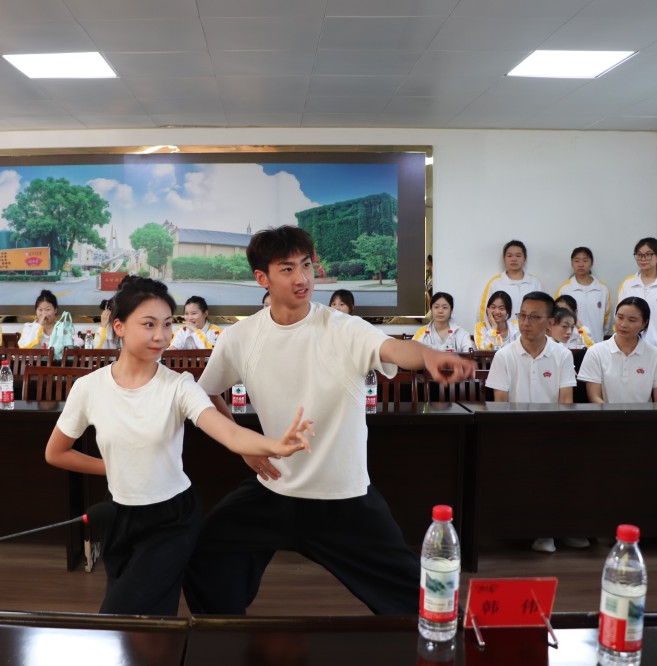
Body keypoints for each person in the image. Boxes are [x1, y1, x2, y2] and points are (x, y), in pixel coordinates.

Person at [184, 226, 475, 616]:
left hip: (343, 497)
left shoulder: (342, 328)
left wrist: (427, 356)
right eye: (287, 269)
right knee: (207, 553)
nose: (302, 278)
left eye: (306, 265)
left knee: (415, 599)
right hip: (275, 488)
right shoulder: (241, 337)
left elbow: (393, 348)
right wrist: (244, 446)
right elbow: (206, 392)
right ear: (262, 278)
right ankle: (224, 636)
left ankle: (444, 640)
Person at [44, 276, 313, 616]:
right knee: (150, 620)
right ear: (119, 326)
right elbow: (55, 453)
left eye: (167, 324)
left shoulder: (179, 386)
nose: (161, 335)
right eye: (149, 324)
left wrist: (274, 444)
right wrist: (114, 465)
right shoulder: (89, 388)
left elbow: (228, 434)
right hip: (119, 515)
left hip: (172, 519)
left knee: (118, 615)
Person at [485, 291, 578, 554]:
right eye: (523, 316)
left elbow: (566, 402)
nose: (526, 322)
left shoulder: (562, 355)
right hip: (514, 432)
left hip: (552, 432)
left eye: (534, 317)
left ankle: (564, 527)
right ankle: (542, 530)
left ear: (550, 323)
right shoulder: (505, 355)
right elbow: (500, 405)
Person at [579, 297, 657, 403]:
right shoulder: (595, 352)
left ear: (644, 323)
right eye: (620, 317)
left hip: (644, 414)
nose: (623, 324)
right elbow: (594, 397)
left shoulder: (656, 356)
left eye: (632, 320)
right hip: (607, 413)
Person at [617, 238, 657, 366]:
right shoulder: (627, 284)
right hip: (631, 352)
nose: (643, 259)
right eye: (639, 255)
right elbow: (619, 319)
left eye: (648, 254)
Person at [478, 240, 543, 323]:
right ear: (504, 258)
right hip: (502, 330)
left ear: (525, 258)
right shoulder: (495, 284)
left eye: (518, 256)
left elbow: (542, 310)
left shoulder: (535, 283)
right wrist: (491, 330)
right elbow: (485, 312)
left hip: (530, 329)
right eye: (509, 256)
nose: (514, 259)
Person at [555, 247, 611, 337]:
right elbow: (558, 318)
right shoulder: (564, 289)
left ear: (592, 263)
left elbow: (606, 321)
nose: (581, 264)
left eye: (585, 260)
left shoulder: (603, 289)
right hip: (571, 342)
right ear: (572, 263)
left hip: (596, 342)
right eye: (576, 261)